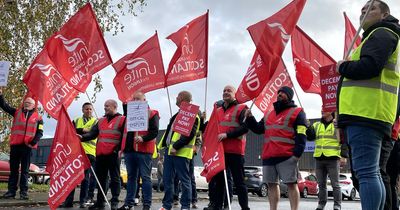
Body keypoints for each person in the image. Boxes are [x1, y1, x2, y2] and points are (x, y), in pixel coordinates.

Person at [336, 1, 400, 209]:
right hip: (373, 113)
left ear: (384, 15)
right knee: (372, 172)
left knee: (367, 173)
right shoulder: (382, 35)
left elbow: (369, 66)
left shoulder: (382, 33)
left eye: (370, 9)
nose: (364, 12)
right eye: (362, 10)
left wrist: (344, 67)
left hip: (366, 113)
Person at [245, 86, 307, 210]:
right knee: (272, 185)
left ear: (289, 96)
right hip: (269, 156)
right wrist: (250, 118)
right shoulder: (268, 113)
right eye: (278, 92)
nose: (279, 94)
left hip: (287, 156)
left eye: (283, 93)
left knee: (291, 185)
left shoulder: (297, 112)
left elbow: (302, 134)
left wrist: (296, 155)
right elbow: (258, 129)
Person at [157, 91, 201, 210]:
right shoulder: (177, 115)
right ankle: (166, 205)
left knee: (184, 180)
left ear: (182, 99)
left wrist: (176, 146)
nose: (175, 98)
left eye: (177, 96)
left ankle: (185, 206)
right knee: (167, 180)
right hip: (170, 152)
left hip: (180, 152)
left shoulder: (192, 115)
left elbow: (190, 134)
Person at [79, 99, 125, 210]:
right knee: (101, 179)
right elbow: (92, 134)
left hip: (113, 154)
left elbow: (125, 137)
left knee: (115, 178)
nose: (105, 108)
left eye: (107, 106)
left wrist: (118, 150)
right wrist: (82, 137)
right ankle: (100, 202)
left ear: (115, 106)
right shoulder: (100, 121)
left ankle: (114, 202)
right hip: (100, 154)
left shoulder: (122, 119)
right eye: (104, 106)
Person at [118, 91, 159, 210]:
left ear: (144, 100)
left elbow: (154, 131)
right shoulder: (129, 113)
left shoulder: (152, 113)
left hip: (144, 151)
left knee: (145, 178)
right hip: (130, 150)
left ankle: (147, 204)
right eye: (133, 99)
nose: (135, 101)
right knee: (131, 178)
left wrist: (142, 138)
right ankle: (128, 203)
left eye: (138, 99)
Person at [211, 85, 250, 210]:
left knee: (239, 183)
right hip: (221, 152)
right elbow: (211, 129)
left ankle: (245, 207)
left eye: (229, 91)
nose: (225, 92)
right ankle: (218, 207)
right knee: (219, 183)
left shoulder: (242, 108)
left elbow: (245, 127)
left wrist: (227, 135)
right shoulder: (218, 111)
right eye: (224, 91)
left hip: (236, 152)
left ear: (235, 94)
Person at [0, 88, 43, 200]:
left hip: (27, 147)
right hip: (15, 146)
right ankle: (11, 192)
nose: (26, 104)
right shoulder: (16, 112)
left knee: (25, 171)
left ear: (34, 105)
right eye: (25, 102)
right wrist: (0, 96)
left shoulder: (38, 118)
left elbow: (40, 132)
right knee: (13, 170)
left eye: (29, 103)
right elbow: (5, 106)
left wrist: (34, 142)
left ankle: (24, 193)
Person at [61, 102, 98, 208]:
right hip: (76, 152)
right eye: (87, 109)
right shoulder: (77, 120)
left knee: (85, 178)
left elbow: (94, 133)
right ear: (83, 110)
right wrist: (82, 130)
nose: (89, 111)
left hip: (90, 152)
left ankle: (83, 201)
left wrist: (81, 133)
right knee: (72, 177)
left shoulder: (96, 122)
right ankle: (68, 202)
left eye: (90, 109)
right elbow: (70, 131)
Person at [306, 111, 341, 210]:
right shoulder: (317, 125)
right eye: (321, 110)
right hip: (319, 158)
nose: (322, 111)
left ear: (331, 112)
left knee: (335, 184)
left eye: (324, 110)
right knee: (321, 184)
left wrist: (344, 156)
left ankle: (337, 206)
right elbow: (310, 137)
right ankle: (321, 205)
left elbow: (343, 139)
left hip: (333, 158)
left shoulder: (336, 124)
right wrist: (308, 126)